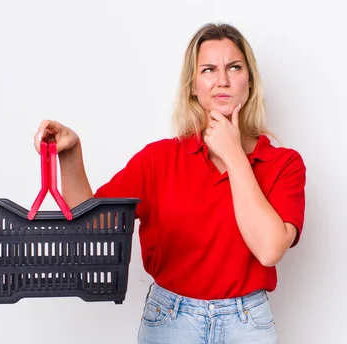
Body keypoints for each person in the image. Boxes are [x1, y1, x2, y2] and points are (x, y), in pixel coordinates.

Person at [34, 23, 306, 344]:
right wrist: (71, 155)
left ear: (249, 80)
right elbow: (92, 226)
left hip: (247, 324)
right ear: (193, 85)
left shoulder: (284, 164)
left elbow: (270, 249)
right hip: (170, 321)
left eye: (234, 67)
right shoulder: (158, 159)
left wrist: (234, 155)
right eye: (208, 69)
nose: (222, 80)